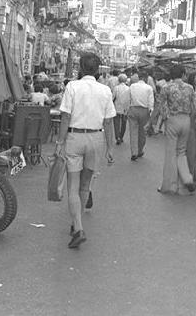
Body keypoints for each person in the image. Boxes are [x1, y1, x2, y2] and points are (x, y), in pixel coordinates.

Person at [56, 53, 116, 248]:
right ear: (98, 69)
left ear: (80, 67)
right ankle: (76, 224)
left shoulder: (72, 87)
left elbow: (65, 117)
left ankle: (79, 227)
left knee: (72, 186)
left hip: (75, 137)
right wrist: (110, 147)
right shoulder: (105, 90)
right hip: (96, 139)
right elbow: (108, 121)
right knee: (85, 185)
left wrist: (60, 142)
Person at [157, 65, 196, 195]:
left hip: (173, 120)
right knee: (181, 152)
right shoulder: (190, 88)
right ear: (183, 74)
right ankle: (186, 178)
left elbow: (162, 106)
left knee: (171, 153)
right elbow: (194, 106)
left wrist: (164, 120)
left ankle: (170, 186)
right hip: (186, 120)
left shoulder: (166, 88)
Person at [128, 69, 155, 161]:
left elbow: (128, 98)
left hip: (133, 109)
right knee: (142, 132)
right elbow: (151, 103)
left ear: (139, 77)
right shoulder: (149, 88)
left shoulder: (132, 86)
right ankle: (140, 150)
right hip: (144, 111)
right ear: (145, 78)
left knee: (133, 132)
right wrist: (151, 114)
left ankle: (134, 152)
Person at [112, 74, 131, 146]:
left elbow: (112, 97)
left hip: (117, 107)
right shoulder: (128, 88)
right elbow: (130, 99)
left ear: (119, 80)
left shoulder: (116, 88)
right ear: (125, 80)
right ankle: (121, 136)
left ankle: (117, 137)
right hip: (125, 108)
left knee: (116, 123)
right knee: (124, 123)